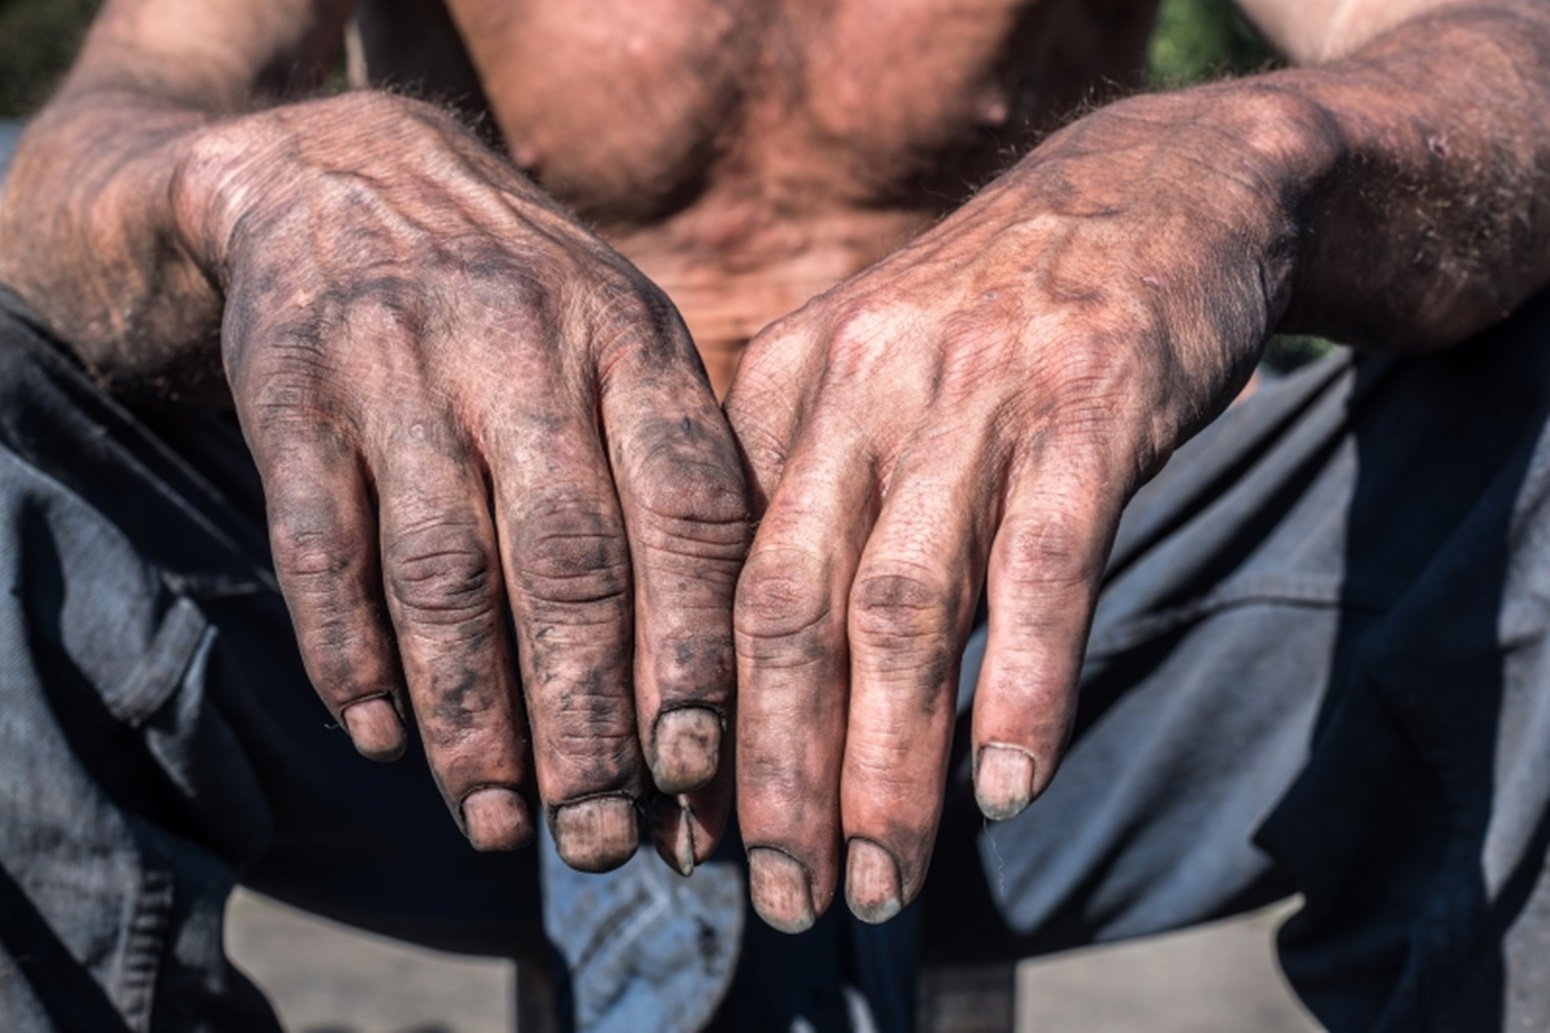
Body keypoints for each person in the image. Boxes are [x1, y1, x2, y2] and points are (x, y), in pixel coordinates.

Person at [2, 0, 1549, 1028]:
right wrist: (270, 178)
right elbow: (98, 136)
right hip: (445, 649)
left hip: (1039, 650)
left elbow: (1504, 48)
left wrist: (1235, 151)